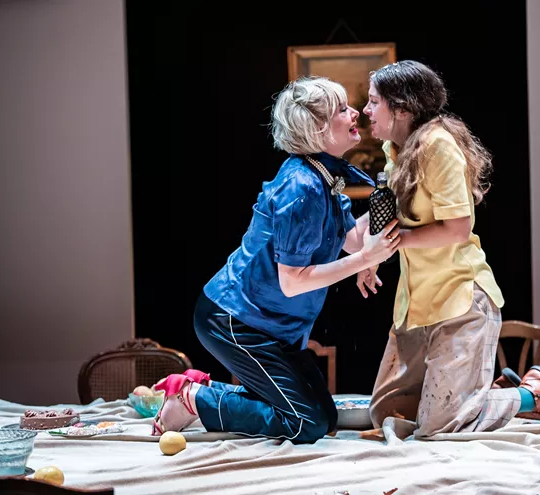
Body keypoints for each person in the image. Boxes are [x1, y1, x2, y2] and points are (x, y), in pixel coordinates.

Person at [150, 76, 401, 444]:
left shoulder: (324, 175)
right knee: (306, 423)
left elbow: (351, 239)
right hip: (236, 319)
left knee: (324, 416)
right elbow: (293, 281)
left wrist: (396, 192)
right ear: (317, 127)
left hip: (274, 326)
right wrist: (366, 257)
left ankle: (200, 396)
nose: (355, 113)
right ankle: (192, 398)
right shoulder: (301, 186)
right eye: (342, 109)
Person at [360, 60, 540, 438]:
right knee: (386, 413)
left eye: (373, 101)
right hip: (416, 303)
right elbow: (388, 216)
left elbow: (457, 228)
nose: (366, 110)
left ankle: (532, 395)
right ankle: (477, 395)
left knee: (439, 426)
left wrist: (396, 243)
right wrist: (368, 255)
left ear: (402, 109)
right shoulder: (395, 148)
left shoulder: (437, 146)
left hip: (459, 299)